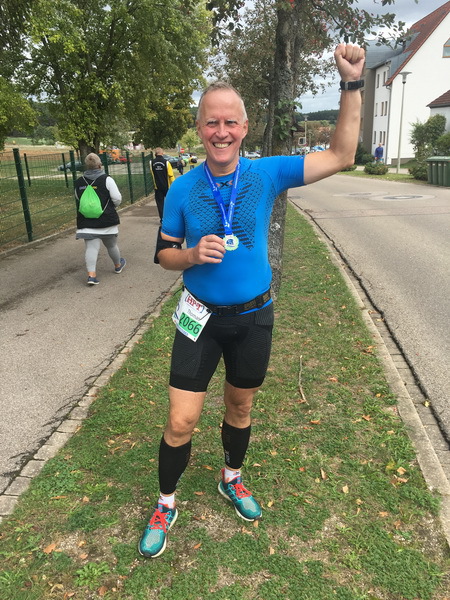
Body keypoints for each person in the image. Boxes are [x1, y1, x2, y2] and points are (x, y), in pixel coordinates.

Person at [138, 43, 365, 559]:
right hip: (199, 319)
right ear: (199, 128)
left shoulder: (267, 174)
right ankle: (166, 503)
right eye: (211, 122)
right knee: (181, 421)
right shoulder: (182, 189)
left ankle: (231, 477)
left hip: (254, 318)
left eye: (230, 122)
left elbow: (342, 155)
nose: (221, 131)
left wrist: (352, 83)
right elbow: (163, 255)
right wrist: (190, 254)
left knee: (240, 407)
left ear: (244, 127)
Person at [75, 153, 126, 286]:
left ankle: (91, 275)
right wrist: (110, 207)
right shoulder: (107, 179)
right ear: (100, 165)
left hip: (86, 221)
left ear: (87, 165)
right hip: (106, 220)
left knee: (91, 248)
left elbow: (79, 199)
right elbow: (117, 198)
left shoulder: (79, 182)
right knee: (111, 245)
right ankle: (118, 265)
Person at [150, 148, 175, 221]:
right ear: (162, 153)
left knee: (160, 204)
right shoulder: (166, 162)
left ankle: (162, 219)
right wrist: (173, 185)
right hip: (167, 186)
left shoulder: (151, 162)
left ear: (155, 153)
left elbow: (152, 173)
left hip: (157, 187)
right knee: (170, 203)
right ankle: (171, 218)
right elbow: (171, 175)